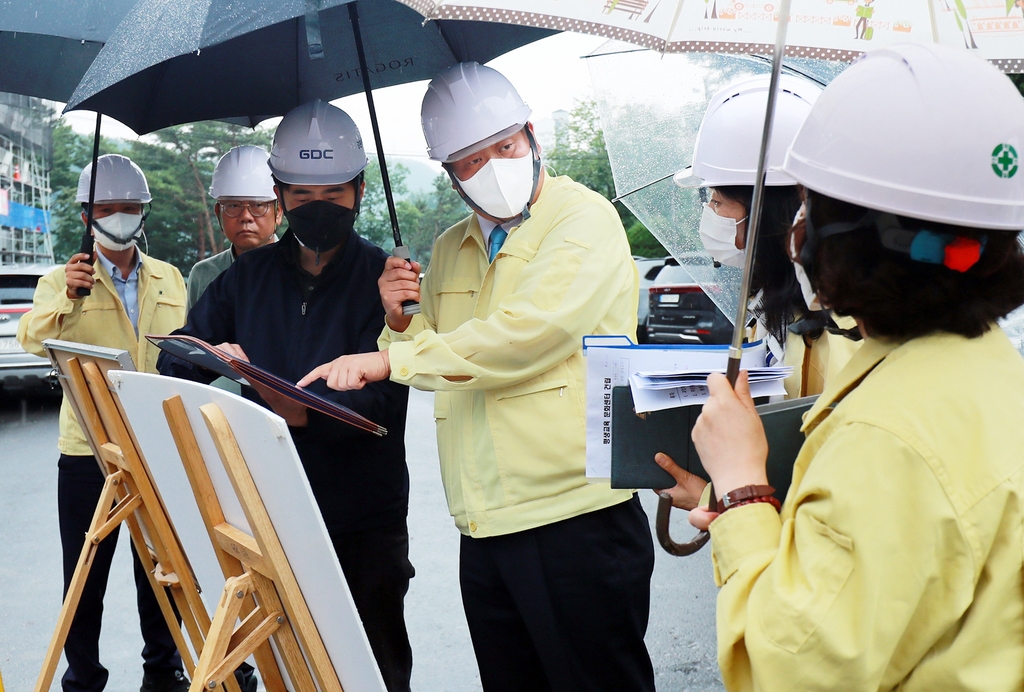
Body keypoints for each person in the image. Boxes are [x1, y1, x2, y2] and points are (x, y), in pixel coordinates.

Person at [301, 62, 655, 692]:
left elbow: (529, 334)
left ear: (531, 134)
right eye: (468, 161)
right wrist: (397, 318)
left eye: (505, 147)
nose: (491, 167)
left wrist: (390, 358)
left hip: (574, 514)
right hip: (485, 522)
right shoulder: (447, 249)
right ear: (448, 173)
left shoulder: (582, 220)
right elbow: (423, 347)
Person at [687, 43, 1024, 690]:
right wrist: (727, 502)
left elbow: (784, 666)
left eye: (810, 207)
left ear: (835, 240)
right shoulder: (986, 369)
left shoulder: (891, 436)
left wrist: (739, 488)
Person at [156, 100, 413, 692]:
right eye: (300, 194)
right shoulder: (245, 279)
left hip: (363, 518)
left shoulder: (387, 279)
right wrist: (209, 358)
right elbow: (173, 356)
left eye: (332, 192)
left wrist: (283, 403)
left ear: (360, 189)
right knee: (282, 662)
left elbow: (379, 407)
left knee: (372, 666)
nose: (316, 206)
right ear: (278, 193)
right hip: (265, 506)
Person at [17, 154, 191, 692]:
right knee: (85, 571)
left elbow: (181, 350)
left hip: (156, 442)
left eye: (129, 207)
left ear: (144, 212)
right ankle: (84, 677)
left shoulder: (169, 277)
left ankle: (163, 674)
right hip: (88, 449)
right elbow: (31, 338)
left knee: (163, 569)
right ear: (87, 215)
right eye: (106, 208)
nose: (119, 216)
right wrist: (67, 298)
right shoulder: (62, 280)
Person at [657, 74, 862, 510]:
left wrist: (721, 498)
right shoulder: (772, 308)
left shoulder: (842, 328)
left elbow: (832, 494)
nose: (708, 214)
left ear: (768, 213)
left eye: (717, 202)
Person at [186, 145, 282, 310]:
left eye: (258, 205)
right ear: (218, 214)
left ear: (278, 212)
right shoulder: (204, 274)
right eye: (233, 206)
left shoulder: (303, 268)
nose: (245, 216)